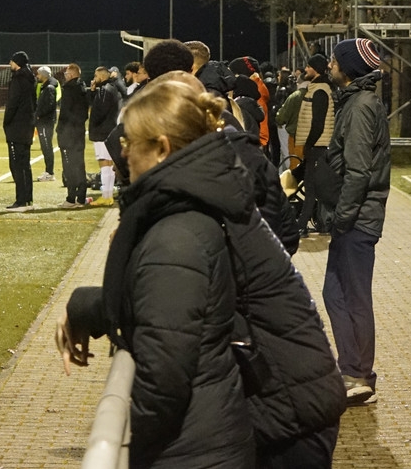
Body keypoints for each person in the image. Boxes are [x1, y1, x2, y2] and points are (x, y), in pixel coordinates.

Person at [58, 78, 344, 468]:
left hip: (286, 414)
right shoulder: (207, 190)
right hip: (283, 400)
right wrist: (85, 306)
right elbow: (176, 304)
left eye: (129, 142)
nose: (123, 154)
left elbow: (165, 372)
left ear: (162, 148)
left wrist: (127, 449)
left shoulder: (183, 225)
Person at [323, 38, 391, 402]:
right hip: (354, 215)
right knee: (335, 292)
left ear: (348, 67)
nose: (330, 65)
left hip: (357, 218)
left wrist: (342, 217)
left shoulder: (361, 105)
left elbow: (358, 171)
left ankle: (359, 375)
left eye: (335, 61)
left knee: (353, 296)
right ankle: (351, 369)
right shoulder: (354, 101)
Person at [295, 54, 335, 236]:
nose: (306, 69)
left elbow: (318, 123)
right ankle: (319, 222)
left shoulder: (320, 91)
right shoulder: (317, 88)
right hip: (317, 145)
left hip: (318, 146)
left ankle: (301, 225)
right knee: (313, 186)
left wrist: (309, 145)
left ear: (316, 69)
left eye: (309, 66)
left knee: (311, 187)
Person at [2, 51, 36, 212]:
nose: (10, 63)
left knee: (17, 165)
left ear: (17, 63)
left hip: (17, 128)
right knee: (25, 164)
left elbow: (12, 103)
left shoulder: (18, 79)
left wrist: (6, 122)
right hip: (27, 126)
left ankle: (21, 200)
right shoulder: (31, 79)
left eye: (12, 61)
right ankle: (27, 199)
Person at [57, 63, 89, 208]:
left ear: (71, 75)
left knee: (69, 166)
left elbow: (66, 113)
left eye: (66, 73)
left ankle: (71, 199)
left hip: (69, 134)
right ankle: (81, 198)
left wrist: (61, 130)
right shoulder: (82, 88)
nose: (65, 76)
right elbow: (83, 114)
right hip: (79, 133)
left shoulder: (70, 89)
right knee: (79, 165)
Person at [88, 66, 121, 206]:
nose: (94, 79)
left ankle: (106, 196)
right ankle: (108, 195)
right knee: (108, 164)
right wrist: (92, 91)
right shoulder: (112, 88)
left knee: (104, 163)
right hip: (109, 130)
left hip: (102, 131)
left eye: (96, 76)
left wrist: (94, 125)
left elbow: (99, 111)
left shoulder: (104, 90)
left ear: (101, 76)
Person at [34, 65, 59, 181]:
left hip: (46, 122)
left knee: (47, 147)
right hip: (45, 121)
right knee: (45, 147)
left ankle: (50, 172)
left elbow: (49, 106)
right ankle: (48, 171)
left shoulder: (49, 88)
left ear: (44, 75)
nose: (37, 76)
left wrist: (39, 115)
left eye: (39, 74)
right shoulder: (46, 87)